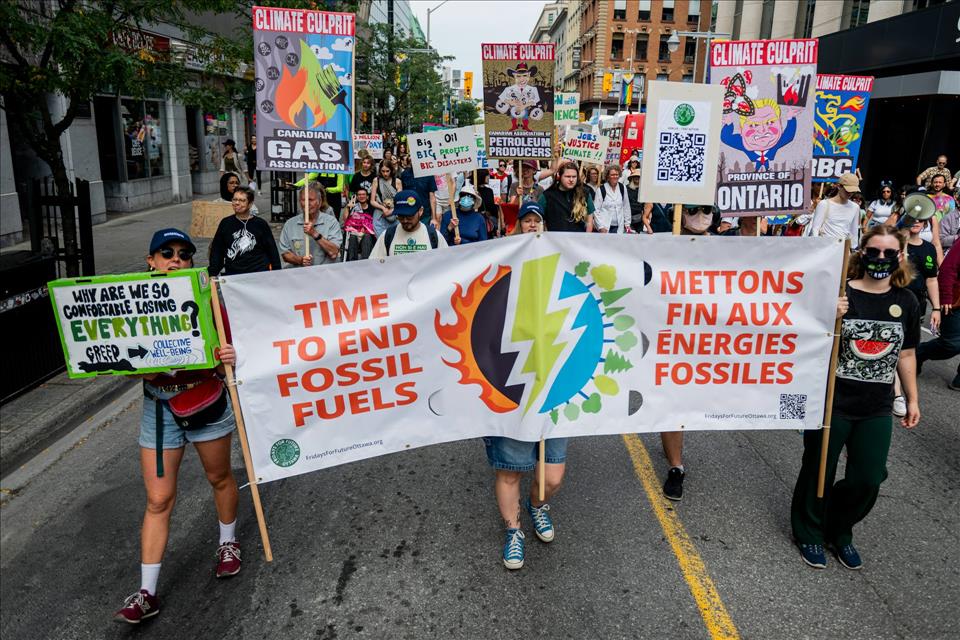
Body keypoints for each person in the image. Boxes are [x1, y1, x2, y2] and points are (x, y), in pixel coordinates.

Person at [114, 228, 241, 624]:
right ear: (151, 261)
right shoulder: (131, 303)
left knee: (219, 477)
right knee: (158, 500)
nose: (176, 260)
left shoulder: (207, 296)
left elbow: (231, 350)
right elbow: (120, 361)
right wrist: (137, 368)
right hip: (159, 410)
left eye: (184, 254)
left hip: (205, 401)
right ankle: (146, 593)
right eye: (166, 253)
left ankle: (228, 543)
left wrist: (228, 354)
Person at [791, 225, 920, 571]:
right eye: (873, 251)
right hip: (832, 402)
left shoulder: (907, 301)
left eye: (888, 253)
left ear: (900, 256)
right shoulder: (840, 293)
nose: (880, 258)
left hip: (876, 407)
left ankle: (839, 528)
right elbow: (803, 339)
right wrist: (826, 316)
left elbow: (907, 354)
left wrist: (912, 399)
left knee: (869, 478)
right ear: (861, 252)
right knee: (818, 469)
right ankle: (808, 531)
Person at [487, 200, 565, 570]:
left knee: (552, 475)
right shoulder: (501, 260)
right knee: (511, 467)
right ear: (517, 226)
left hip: (555, 384)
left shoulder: (563, 261)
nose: (532, 225)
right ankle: (513, 529)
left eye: (537, 220)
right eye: (526, 220)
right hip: (512, 385)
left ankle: (537, 505)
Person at [917, 238, 960, 390]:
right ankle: (918, 353)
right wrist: (946, 297)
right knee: (951, 344)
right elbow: (948, 269)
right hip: (956, 301)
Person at [208, 187, 280, 276]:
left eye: (242, 200)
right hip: (233, 275)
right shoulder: (225, 223)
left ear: (250, 204)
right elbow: (217, 251)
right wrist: (212, 273)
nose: (237, 203)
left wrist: (277, 274)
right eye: (235, 199)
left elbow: (272, 251)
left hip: (259, 274)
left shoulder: (260, 224)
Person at [278, 183, 342, 267]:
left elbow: (333, 253)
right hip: (300, 273)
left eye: (311, 200)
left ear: (319, 202)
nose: (307, 203)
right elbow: (285, 254)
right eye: (303, 200)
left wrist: (314, 233)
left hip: (325, 272)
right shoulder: (290, 224)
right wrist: (300, 260)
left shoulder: (331, 222)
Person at [369, 190, 449, 258]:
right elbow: (374, 264)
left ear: (420, 211)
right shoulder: (387, 236)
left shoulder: (434, 236)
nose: (405, 220)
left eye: (409, 216)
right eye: (401, 216)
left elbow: (445, 264)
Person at [538, 160, 595, 233]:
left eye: (574, 177)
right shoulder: (547, 196)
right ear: (559, 176)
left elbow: (589, 222)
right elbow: (538, 220)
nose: (571, 180)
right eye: (567, 176)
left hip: (578, 238)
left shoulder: (584, 194)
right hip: (555, 239)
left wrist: (586, 237)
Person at [809, 172, 862, 247]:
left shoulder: (855, 207)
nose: (850, 194)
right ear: (839, 186)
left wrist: (852, 248)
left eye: (853, 191)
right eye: (847, 190)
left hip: (843, 247)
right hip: (824, 246)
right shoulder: (824, 204)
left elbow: (854, 231)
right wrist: (817, 247)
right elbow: (815, 229)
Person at [399, 158, 439, 228]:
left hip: (425, 214)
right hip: (409, 214)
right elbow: (402, 194)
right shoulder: (404, 174)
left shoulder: (429, 175)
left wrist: (434, 218)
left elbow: (432, 197)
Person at [593, 164, 631, 233]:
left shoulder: (622, 188)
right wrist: (600, 227)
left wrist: (627, 224)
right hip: (605, 227)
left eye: (617, 174)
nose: (615, 176)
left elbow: (626, 206)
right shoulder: (601, 190)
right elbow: (596, 210)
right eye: (612, 175)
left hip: (619, 227)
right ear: (608, 176)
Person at [342, 187, 377, 261]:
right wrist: (348, 207)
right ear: (357, 197)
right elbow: (345, 220)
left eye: (363, 194)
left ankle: (365, 262)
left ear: (367, 197)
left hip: (367, 233)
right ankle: (352, 262)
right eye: (359, 195)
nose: (361, 196)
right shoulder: (353, 207)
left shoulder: (372, 208)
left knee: (367, 237)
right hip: (353, 232)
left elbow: (374, 223)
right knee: (352, 237)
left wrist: (366, 228)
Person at [371, 161, 402, 237]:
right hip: (380, 214)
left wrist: (391, 211)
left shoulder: (397, 182)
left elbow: (400, 201)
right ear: (380, 170)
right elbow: (372, 201)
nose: (385, 173)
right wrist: (383, 208)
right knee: (380, 239)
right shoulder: (376, 180)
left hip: (394, 213)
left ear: (391, 170)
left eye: (387, 171)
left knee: (394, 239)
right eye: (383, 171)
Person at [625, 169, 648, 233]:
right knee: (628, 235)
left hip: (640, 219)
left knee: (639, 235)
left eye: (639, 177)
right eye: (635, 176)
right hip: (628, 219)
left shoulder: (643, 190)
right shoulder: (626, 188)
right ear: (632, 178)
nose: (637, 178)